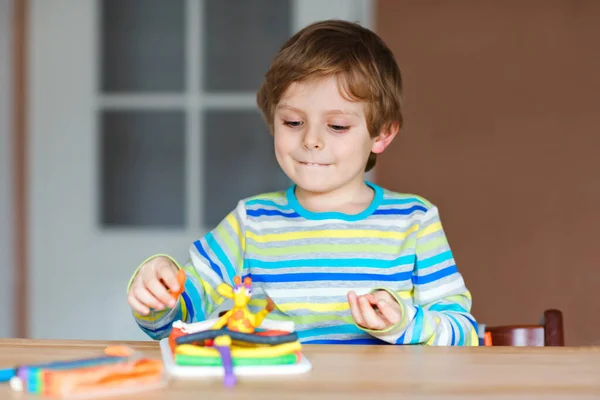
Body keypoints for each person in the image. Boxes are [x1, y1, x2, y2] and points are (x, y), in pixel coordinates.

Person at [126, 19, 478, 346]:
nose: (311, 140)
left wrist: (406, 323)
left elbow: (464, 332)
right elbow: (173, 325)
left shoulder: (414, 221)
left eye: (337, 126)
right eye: (294, 122)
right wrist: (158, 296)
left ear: (381, 133)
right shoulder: (251, 222)